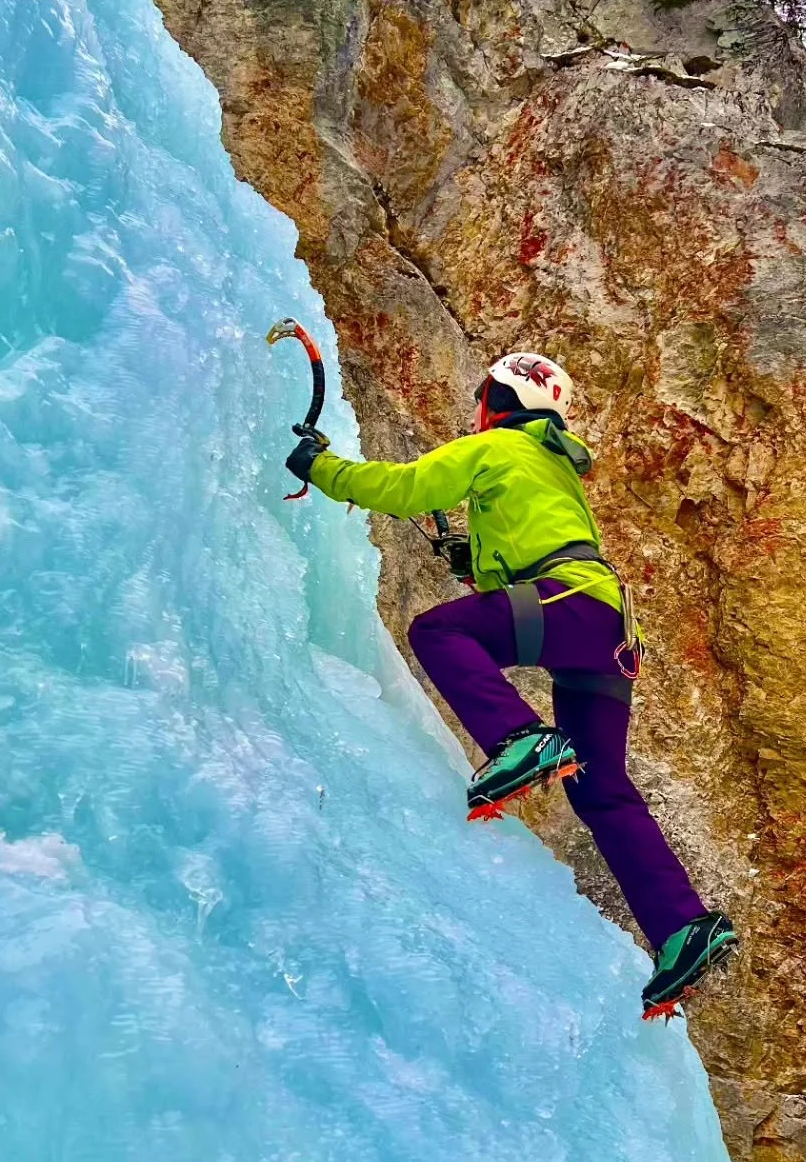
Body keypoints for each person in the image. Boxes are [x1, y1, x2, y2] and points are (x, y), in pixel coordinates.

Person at [282, 352, 737, 1019]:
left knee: (439, 633)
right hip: (608, 628)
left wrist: (319, 466)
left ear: (501, 399)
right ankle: (682, 927)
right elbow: (537, 542)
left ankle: (520, 737)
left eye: (482, 396)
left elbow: (405, 490)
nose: (475, 411)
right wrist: (476, 558)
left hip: (573, 604)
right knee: (602, 790)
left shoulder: (495, 444)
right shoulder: (551, 463)